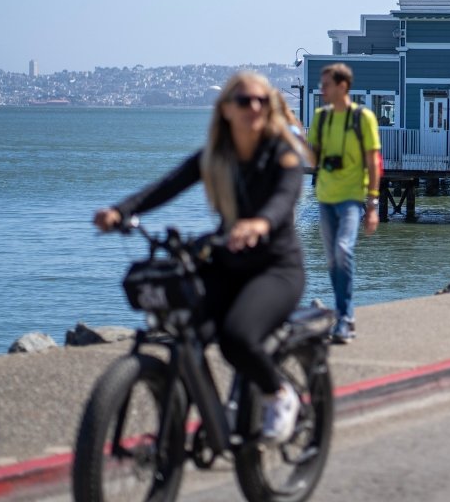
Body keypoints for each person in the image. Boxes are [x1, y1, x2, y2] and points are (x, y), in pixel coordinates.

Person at [93, 72, 306, 444]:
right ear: (225, 109)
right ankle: (199, 415)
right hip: (227, 263)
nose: (253, 107)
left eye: (261, 101)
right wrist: (120, 211)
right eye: (243, 101)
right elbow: (164, 187)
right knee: (185, 330)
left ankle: (280, 394)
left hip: (276, 269)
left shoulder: (282, 153)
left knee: (236, 338)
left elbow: (283, 198)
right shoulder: (214, 158)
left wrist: (259, 222)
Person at [305, 63, 381, 345]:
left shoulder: (363, 119)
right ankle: (341, 315)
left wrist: (372, 203)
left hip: (351, 198)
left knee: (342, 249)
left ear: (342, 86)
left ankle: (346, 317)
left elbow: (373, 161)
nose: (321, 89)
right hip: (325, 197)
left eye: (326, 85)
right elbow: (312, 162)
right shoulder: (321, 118)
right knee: (332, 260)